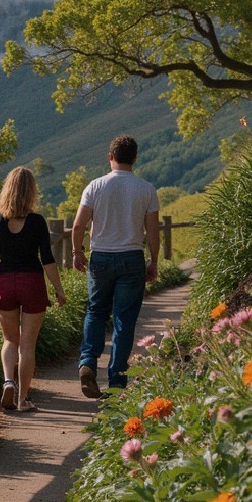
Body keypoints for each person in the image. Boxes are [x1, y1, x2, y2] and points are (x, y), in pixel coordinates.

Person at [70, 135, 160, 398]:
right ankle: (117, 381)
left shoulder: (95, 187)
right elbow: (152, 231)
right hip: (131, 258)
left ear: (110, 157)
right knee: (124, 320)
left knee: (96, 311)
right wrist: (153, 261)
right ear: (135, 158)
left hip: (100, 258)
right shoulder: (146, 189)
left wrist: (77, 252)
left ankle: (87, 362)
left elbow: (78, 226)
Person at [0, 166, 66, 413]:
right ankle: (23, 398)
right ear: (31, 192)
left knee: (9, 340)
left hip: (5, 282)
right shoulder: (37, 222)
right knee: (27, 345)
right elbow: (47, 259)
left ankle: (8, 380)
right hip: (32, 283)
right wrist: (58, 290)